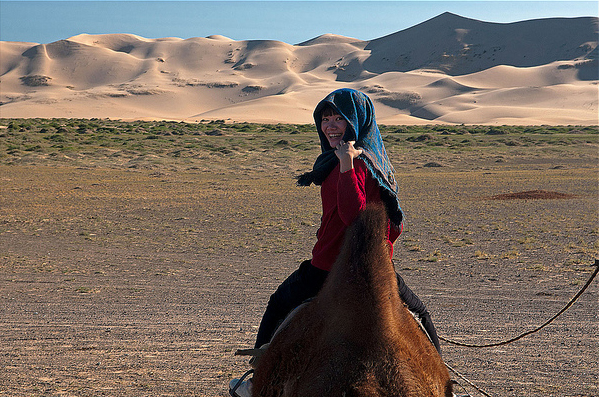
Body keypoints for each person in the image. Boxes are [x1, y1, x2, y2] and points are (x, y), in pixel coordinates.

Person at [229, 88, 440, 397]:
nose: (330, 125)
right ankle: (444, 386)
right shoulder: (376, 160)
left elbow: (354, 215)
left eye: (339, 118)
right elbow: (392, 223)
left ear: (356, 120)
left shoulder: (351, 161)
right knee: (420, 315)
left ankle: (256, 379)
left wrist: (345, 166)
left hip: (328, 267)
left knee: (279, 303)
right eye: (325, 118)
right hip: (377, 268)